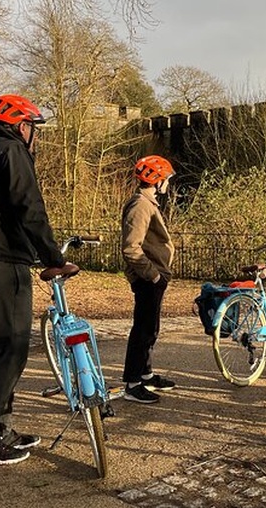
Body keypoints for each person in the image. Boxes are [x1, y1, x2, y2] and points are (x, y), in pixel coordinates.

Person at [0, 94, 73, 465]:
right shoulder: (11, 151)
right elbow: (31, 208)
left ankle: (0, 430)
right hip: (3, 266)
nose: (35, 137)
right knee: (10, 354)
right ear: (20, 126)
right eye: (33, 129)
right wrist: (54, 258)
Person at [121, 155, 178, 404]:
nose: (168, 184)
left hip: (154, 276)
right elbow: (131, 248)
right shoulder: (140, 206)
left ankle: (146, 374)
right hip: (148, 278)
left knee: (150, 328)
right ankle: (133, 384)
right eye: (166, 179)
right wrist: (153, 275)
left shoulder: (148, 203)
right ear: (157, 181)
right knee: (143, 330)